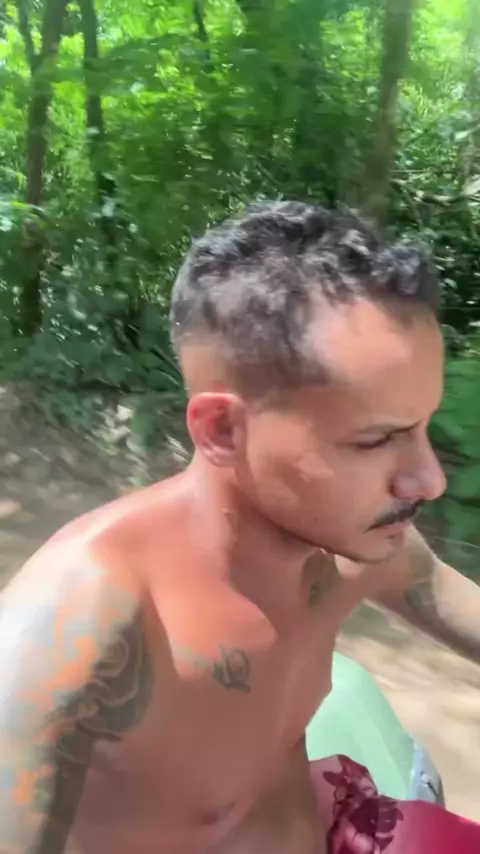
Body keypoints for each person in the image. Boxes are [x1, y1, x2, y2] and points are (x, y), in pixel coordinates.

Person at [1, 201, 479, 854]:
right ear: (224, 430)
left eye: (422, 427)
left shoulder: (360, 548)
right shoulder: (81, 629)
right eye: (376, 440)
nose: (429, 480)